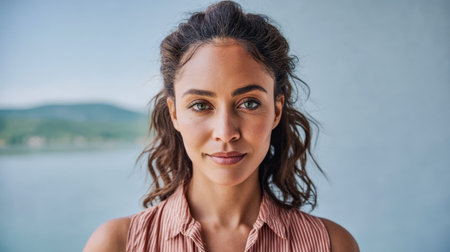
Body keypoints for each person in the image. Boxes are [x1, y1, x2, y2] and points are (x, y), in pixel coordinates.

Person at [83, 1, 359, 251]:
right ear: (174, 113)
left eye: (249, 103)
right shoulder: (116, 244)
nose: (226, 133)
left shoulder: (332, 245)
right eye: (201, 105)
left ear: (276, 110)